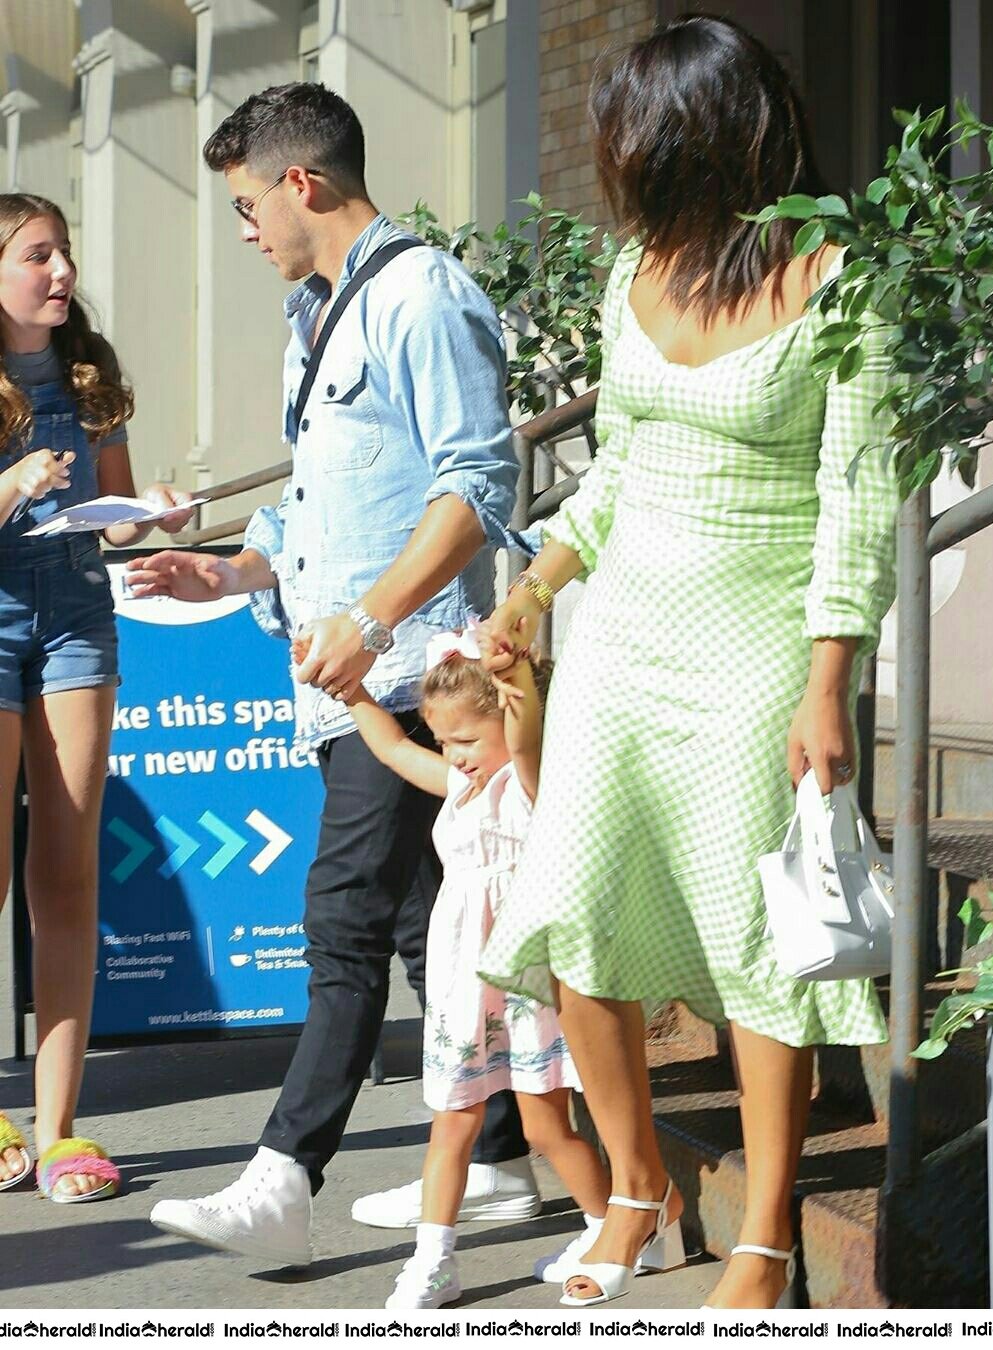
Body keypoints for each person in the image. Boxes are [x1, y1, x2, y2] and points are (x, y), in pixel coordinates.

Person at [479, 15, 900, 1310]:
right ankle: (637, 1183)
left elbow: (861, 494)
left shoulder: (841, 279)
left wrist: (830, 675)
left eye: (634, 132)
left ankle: (766, 1228)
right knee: (576, 916)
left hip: (760, 644)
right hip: (619, 643)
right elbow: (614, 466)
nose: (618, 156)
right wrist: (538, 587)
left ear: (705, 135)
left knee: (758, 938)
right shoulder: (634, 277)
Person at [132, 83, 532, 1268]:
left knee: (345, 917)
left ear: (302, 182)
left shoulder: (421, 294)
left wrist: (368, 618)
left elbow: (477, 487)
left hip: (418, 673)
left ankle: (282, 1176)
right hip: (349, 677)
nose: (246, 229)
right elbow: (328, 502)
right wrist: (232, 572)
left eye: (250, 203)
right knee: (421, 927)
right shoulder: (315, 312)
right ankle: (501, 1157)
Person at [292, 623, 611, 1307]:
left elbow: (521, 737)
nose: (452, 755)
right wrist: (349, 690)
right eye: (445, 741)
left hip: (526, 985)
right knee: (453, 1118)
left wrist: (512, 677)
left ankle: (617, 1228)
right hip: (466, 987)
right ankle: (434, 1260)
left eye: (465, 740)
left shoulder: (529, 785)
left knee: (545, 1125)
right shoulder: (461, 785)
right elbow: (388, 746)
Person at [0, 193, 192, 1204]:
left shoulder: (90, 375)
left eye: (64, 252)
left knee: (68, 873)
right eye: (38, 256)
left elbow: (114, 522)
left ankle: (63, 1127)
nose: (61, 270)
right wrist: (11, 483)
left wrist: (152, 510)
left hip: (77, 619)